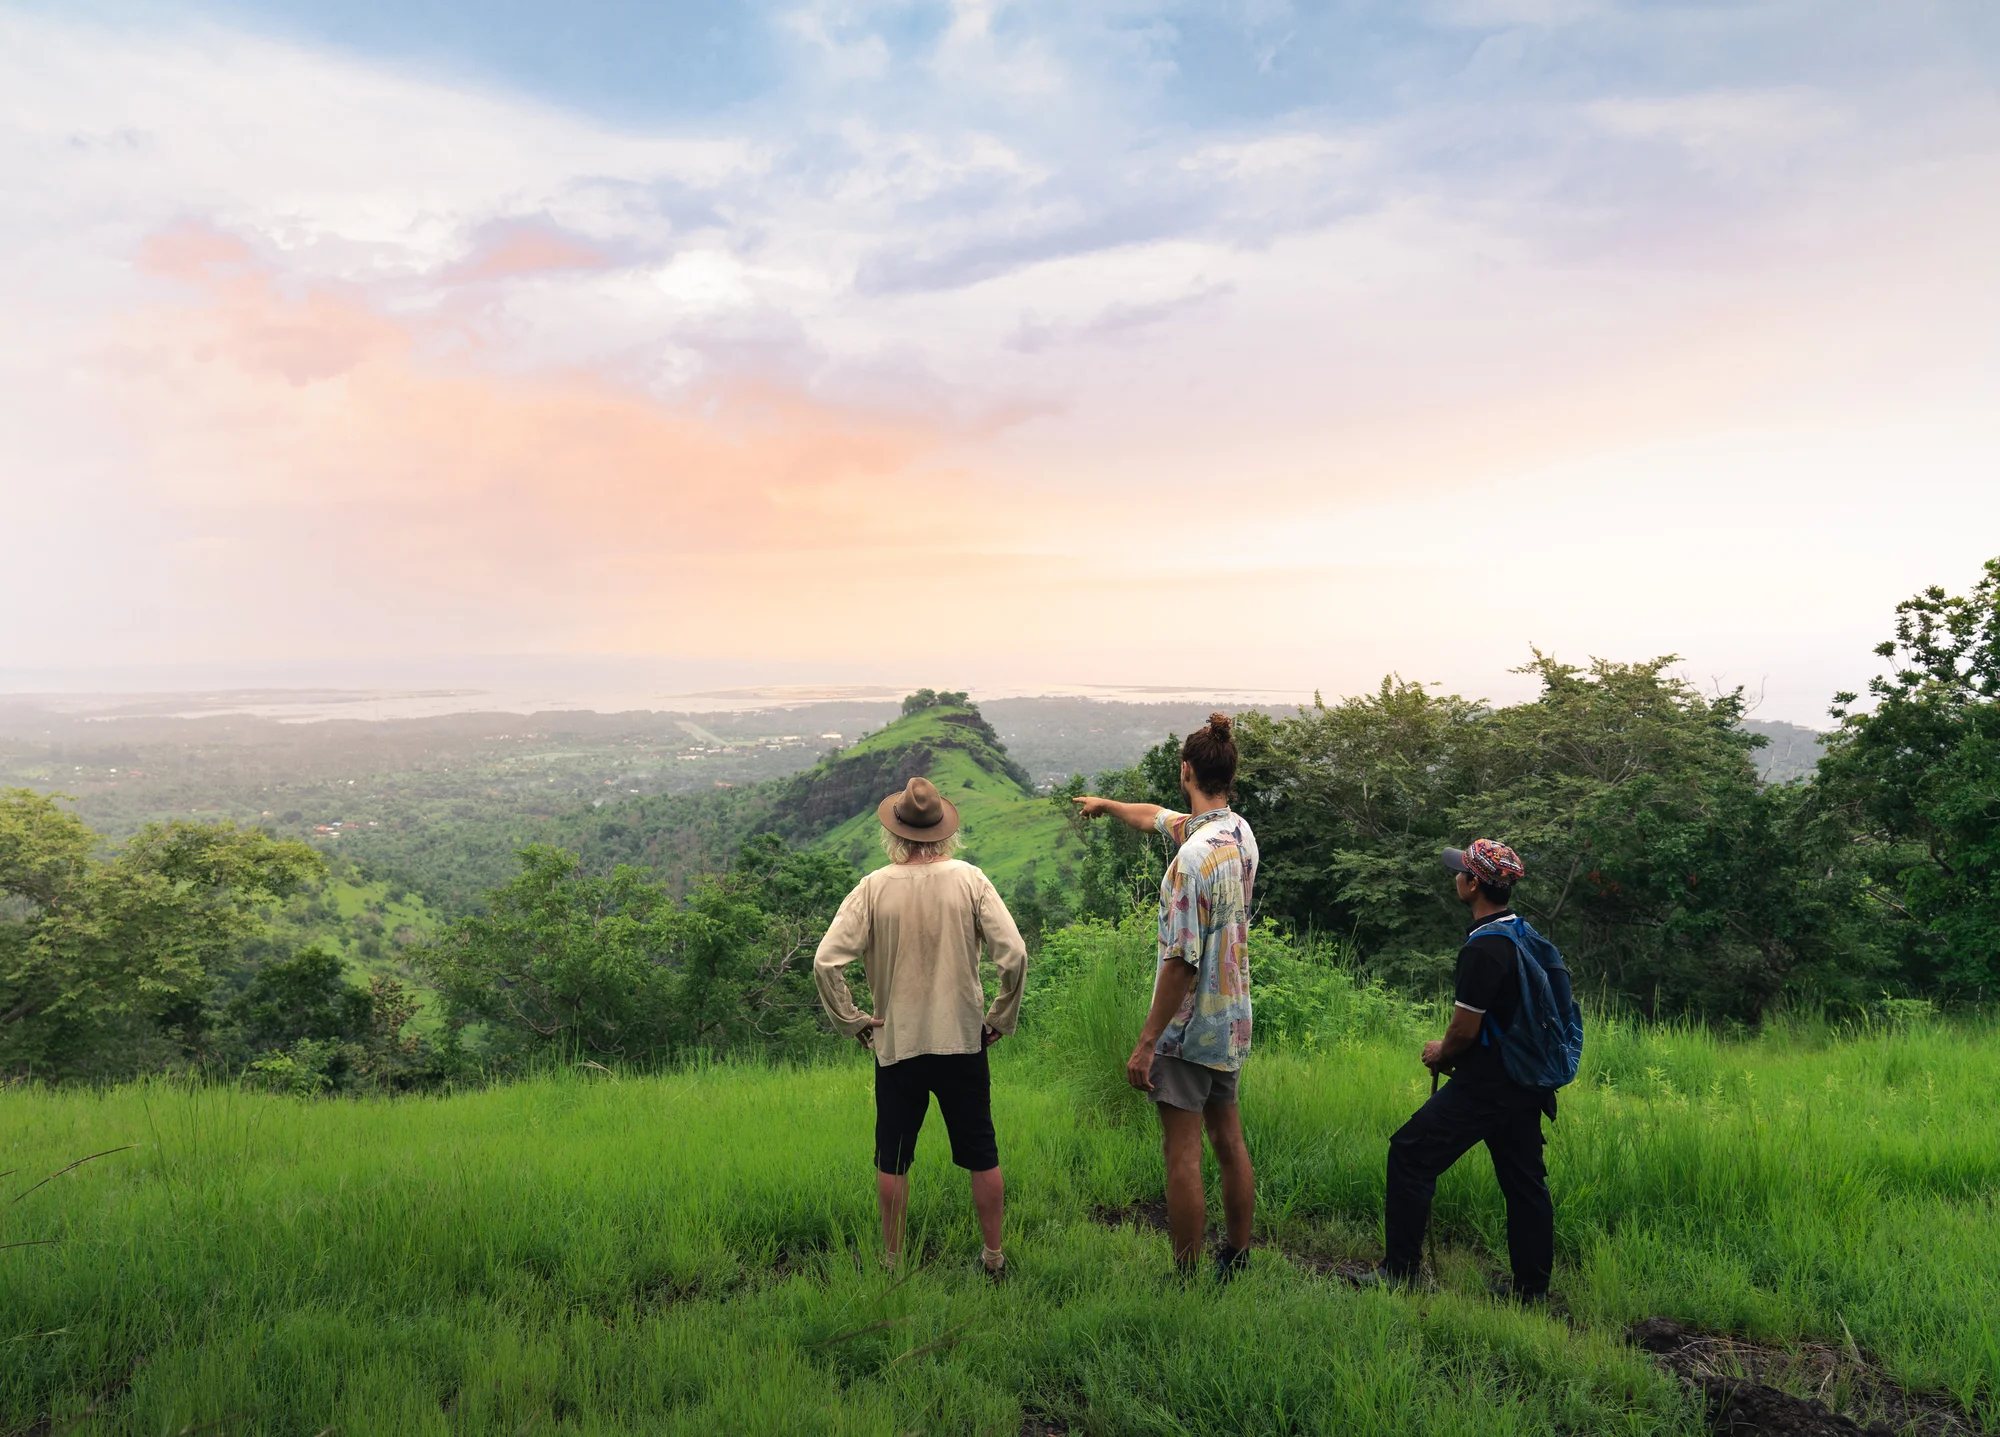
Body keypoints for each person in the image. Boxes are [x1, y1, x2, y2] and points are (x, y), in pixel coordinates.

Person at [814, 775, 1029, 1278]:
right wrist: (999, 1017)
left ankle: (893, 1262)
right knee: (981, 1150)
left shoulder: (873, 887)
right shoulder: (970, 879)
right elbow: (1014, 954)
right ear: (942, 832)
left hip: (898, 1040)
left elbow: (826, 962)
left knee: (892, 1156)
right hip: (962, 1038)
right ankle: (993, 1258)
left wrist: (855, 1022)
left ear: (897, 834)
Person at [1073, 713, 1258, 1281]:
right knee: (1228, 1136)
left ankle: (1184, 1278)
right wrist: (1107, 804)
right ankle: (1239, 1255)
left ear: (1185, 771)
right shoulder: (1236, 834)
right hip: (1230, 1017)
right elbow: (1154, 816)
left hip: (1185, 1030)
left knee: (1183, 1153)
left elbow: (1179, 963)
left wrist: (1146, 1044)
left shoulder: (1189, 862)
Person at [1375, 838, 1556, 1300]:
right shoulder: (1522, 933)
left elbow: (1463, 1031)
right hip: (1525, 1079)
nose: (1455, 875)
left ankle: (1400, 1275)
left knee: (1410, 1154)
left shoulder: (1484, 948)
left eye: (1461, 871)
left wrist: (1442, 1052)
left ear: (1473, 884)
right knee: (1524, 1181)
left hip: (1489, 1082)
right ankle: (1531, 1290)